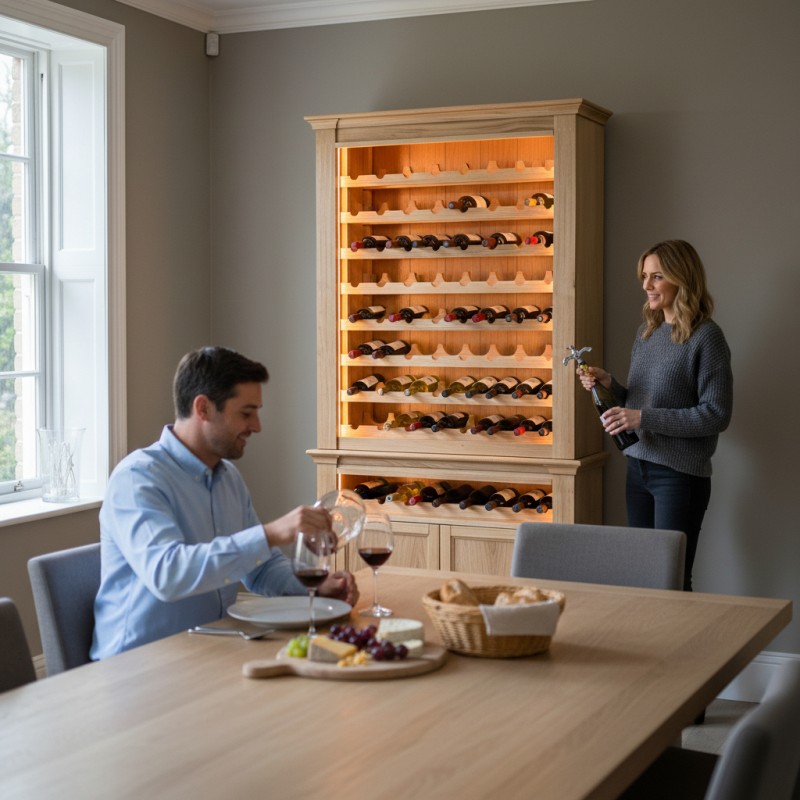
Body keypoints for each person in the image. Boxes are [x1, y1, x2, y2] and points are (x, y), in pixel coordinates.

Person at [92, 347, 359, 659]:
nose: (257, 426)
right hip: (137, 665)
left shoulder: (228, 477)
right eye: (246, 413)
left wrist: (315, 585)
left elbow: (259, 568)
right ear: (203, 408)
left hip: (209, 646)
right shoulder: (138, 479)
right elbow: (167, 575)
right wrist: (271, 533)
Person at [577, 240, 733, 591]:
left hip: (678, 476)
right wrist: (610, 385)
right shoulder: (647, 332)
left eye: (657, 276)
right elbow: (641, 400)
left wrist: (642, 418)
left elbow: (716, 414)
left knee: (671, 580)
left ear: (682, 279)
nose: (646, 285)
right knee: (643, 578)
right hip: (638, 468)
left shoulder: (707, 337)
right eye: (644, 276)